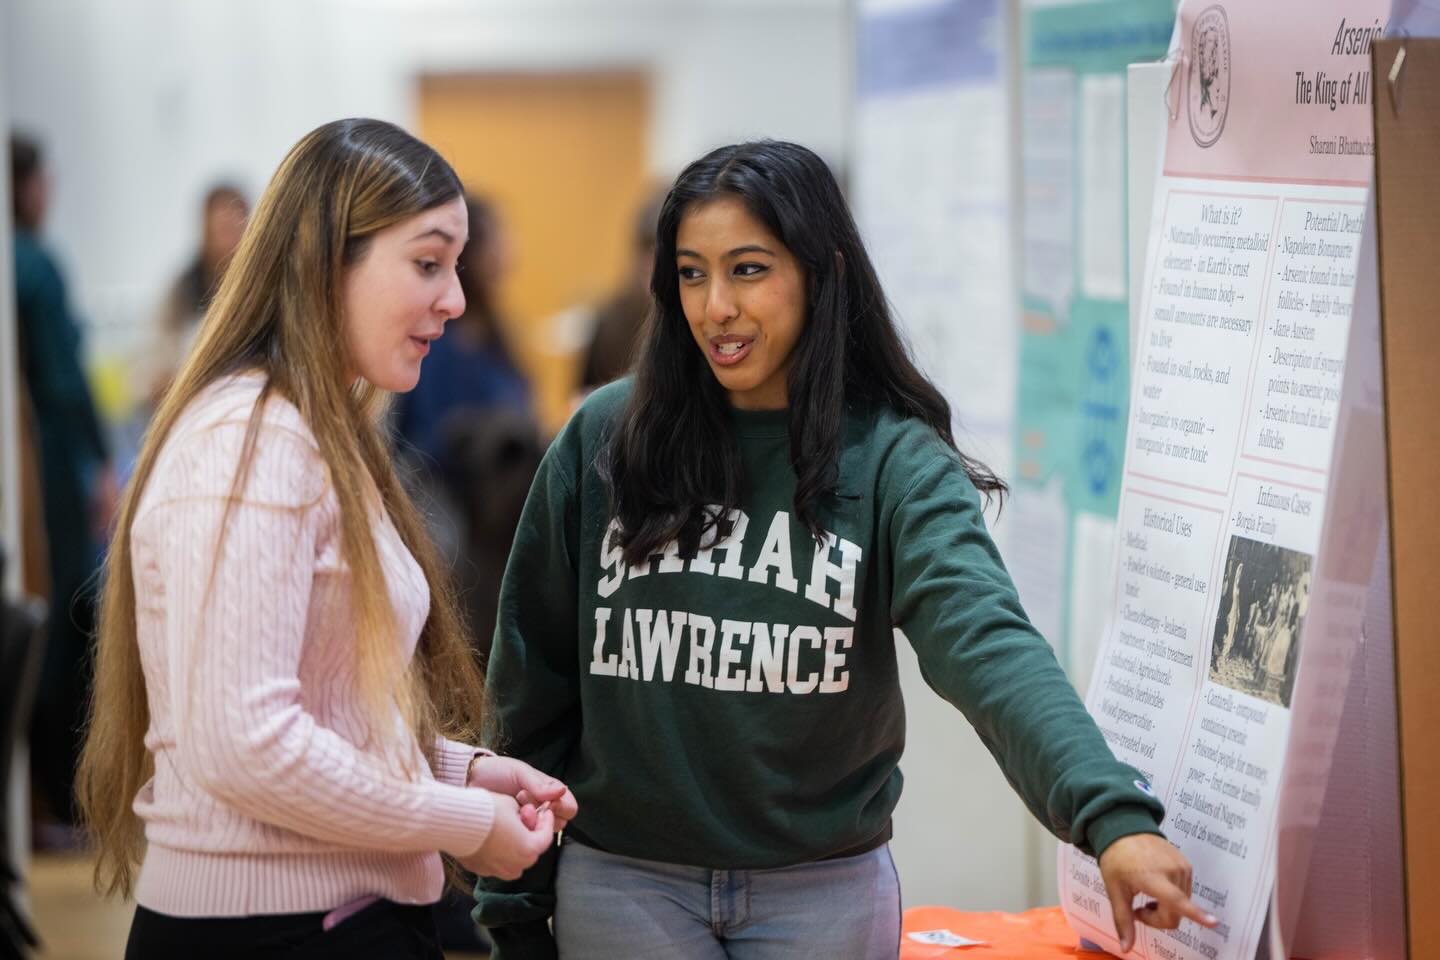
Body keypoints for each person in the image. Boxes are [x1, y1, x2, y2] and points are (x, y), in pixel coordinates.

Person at [474, 140, 1216, 959]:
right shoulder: (604, 439)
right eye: (691, 273)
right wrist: (511, 904)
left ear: (820, 273)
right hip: (626, 883)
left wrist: (1106, 814)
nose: (715, 305)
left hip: (819, 891)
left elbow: (986, 639)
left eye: (748, 269)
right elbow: (528, 679)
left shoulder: (890, 457)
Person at [75, 118, 576, 960]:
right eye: (426, 263)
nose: (454, 299)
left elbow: (327, 709)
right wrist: (460, 823)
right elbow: (247, 745)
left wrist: (456, 770)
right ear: (323, 263)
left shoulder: (312, 432)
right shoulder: (250, 441)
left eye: (455, 266)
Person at [10, 133, 116, 841]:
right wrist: (101, 461)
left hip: (34, 456)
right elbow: (63, 381)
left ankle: (46, 801)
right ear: (24, 186)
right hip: (46, 465)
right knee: (67, 621)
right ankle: (62, 799)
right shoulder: (35, 266)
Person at [145, 183, 250, 402]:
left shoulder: (266, 287)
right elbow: (154, 367)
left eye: (236, 227)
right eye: (223, 229)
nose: (230, 238)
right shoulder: (182, 290)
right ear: (206, 229)